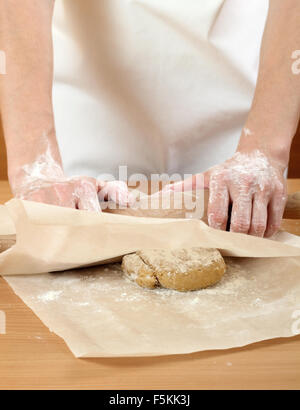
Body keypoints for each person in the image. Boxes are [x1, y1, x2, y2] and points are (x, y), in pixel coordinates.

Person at [0, 0, 299, 237]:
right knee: (72, 245)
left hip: (238, 111)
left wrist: (264, 150)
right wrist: (37, 166)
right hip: (89, 111)